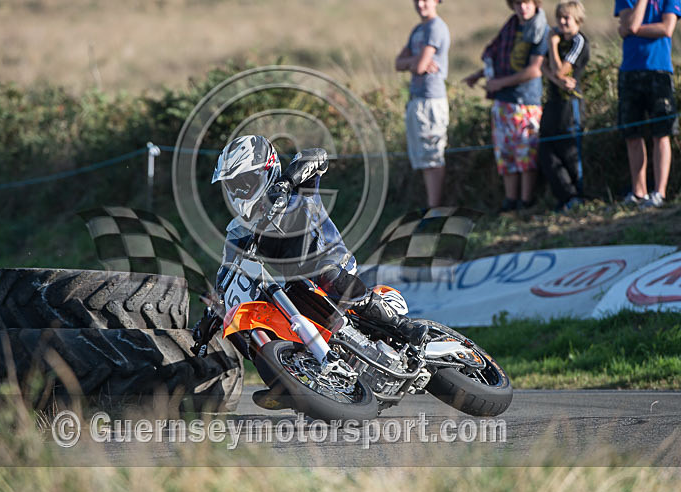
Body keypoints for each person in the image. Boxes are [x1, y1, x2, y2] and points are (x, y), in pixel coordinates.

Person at [201, 135, 428, 349]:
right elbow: (226, 274)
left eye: (244, 181)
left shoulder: (296, 186)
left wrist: (286, 183)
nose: (238, 191)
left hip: (333, 263)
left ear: (266, 170)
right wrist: (210, 315)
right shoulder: (239, 229)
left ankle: (402, 325)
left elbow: (317, 155)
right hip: (296, 284)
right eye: (232, 185)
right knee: (273, 308)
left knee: (326, 274)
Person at [463, 0, 549, 212]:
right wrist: (479, 75)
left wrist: (499, 83)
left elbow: (535, 70)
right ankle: (510, 201)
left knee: (526, 153)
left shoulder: (541, 30)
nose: (523, 8)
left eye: (527, 3)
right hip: (503, 102)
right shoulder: (510, 27)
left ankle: (526, 201)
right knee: (506, 154)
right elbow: (497, 56)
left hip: (526, 101)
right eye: (518, 3)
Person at [616, 0, 681, 208]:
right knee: (632, 134)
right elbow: (628, 24)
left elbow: (666, 28)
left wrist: (633, 29)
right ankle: (638, 192)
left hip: (659, 70)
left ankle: (659, 193)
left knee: (661, 133)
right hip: (629, 71)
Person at [395, 0, 451, 208]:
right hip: (417, 99)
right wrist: (414, 62)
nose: (421, 4)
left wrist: (414, 63)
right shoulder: (418, 30)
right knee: (423, 159)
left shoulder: (436, 27)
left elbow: (418, 66)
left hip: (431, 100)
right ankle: (430, 206)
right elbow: (399, 63)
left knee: (432, 156)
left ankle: (435, 209)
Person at [539, 1, 590, 211]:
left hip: (571, 105)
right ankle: (564, 197)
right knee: (546, 149)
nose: (561, 22)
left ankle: (578, 196)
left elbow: (561, 70)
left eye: (566, 18)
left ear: (576, 19)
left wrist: (552, 44)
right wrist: (558, 81)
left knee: (569, 152)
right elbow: (543, 66)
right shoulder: (558, 38)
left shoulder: (579, 41)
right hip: (553, 101)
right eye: (559, 17)